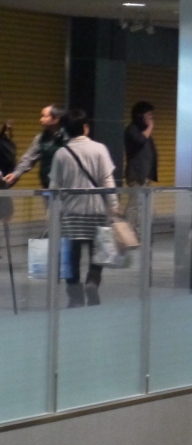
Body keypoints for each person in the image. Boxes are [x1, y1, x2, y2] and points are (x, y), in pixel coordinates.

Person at [48, 110, 118, 307]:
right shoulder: (100, 149)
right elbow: (107, 181)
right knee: (99, 252)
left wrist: (51, 213)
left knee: (72, 255)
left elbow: (54, 187)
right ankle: (92, 282)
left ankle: (74, 293)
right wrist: (113, 205)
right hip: (97, 211)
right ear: (85, 128)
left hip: (71, 213)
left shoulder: (61, 154)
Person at [4, 104, 66, 188]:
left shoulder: (70, 137)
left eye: (44, 116)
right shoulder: (41, 138)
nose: (41, 120)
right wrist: (15, 174)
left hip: (68, 186)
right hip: (48, 185)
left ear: (56, 119)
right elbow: (29, 158)